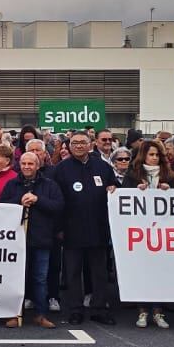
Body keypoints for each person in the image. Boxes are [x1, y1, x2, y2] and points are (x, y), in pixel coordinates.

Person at [51, 131, 118, 326]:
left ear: (90, 145)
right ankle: (75, 309)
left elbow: (114, 189)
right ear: (69, 146)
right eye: (74, 143)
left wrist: (114, 189)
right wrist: (59, 228)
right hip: (71, 229)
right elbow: (57, 200)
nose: (79, 146)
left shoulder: (103, 167)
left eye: (83, 142)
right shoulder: (61, 169)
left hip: (98, 228)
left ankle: (99, 308)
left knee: (99, 272)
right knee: (72, 272)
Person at [0, 150, 62, 328]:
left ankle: (41, 314)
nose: (27, 167)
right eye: (24, 163)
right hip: (17, 240)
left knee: (40, 278)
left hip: (41, 238)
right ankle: (14, 313)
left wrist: (38, 200)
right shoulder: (12, 184)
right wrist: (19, 201)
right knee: (16, 278)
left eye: (31, 164)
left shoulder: (49, 185)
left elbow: (58, 206)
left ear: (38, 165)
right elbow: (2, 205)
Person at [124, 141, 174, 329]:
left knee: (159, 272)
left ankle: (158, 311)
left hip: (163, 233)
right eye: (151, 155)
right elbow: (122, 199)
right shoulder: (132, 175)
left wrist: (169, 191)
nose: (154, 158)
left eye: (157, 155)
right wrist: (135, 192)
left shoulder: (169, 176)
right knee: (142, 271)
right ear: (143, 156)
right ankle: (143, 310)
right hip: (140, 233)